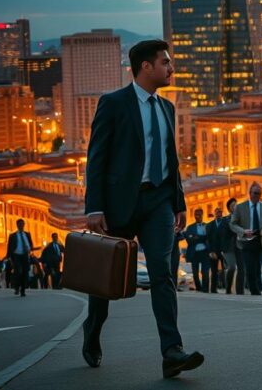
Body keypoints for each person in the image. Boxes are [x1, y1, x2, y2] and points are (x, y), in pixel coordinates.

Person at [82, 39, 202, 378]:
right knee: (107, 279)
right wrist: (95, 208)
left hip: (158, 202)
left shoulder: (167, 108)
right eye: (165, 62)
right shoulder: (114, 104)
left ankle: (171, 352)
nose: (171, 68)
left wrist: (177, 202)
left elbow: (171, 160)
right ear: (146, 67)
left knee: (163, 272)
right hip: (120, 204)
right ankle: (92, 330)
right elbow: (97, 159)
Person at [230, 183, 262, 295]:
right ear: (250, 193)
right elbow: (232, 224)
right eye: (255, 193)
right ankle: (255, 292)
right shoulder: (240, 207)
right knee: (250, 269)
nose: (257, 196)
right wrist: (243, 231)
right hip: (247, 242)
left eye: (259, 193)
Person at [183, 209, 211, 292]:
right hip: (194, 253)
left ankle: (205, 289)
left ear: (202, 215)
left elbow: (208, 238)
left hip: (205, 252)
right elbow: (189, 239)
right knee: (195, 273)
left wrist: (196, 237)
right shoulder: (190, 227)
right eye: (196, 215)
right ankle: (199, 288)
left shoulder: (207, 226)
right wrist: (202, 237)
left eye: (199, 214)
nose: (197, 216)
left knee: (205, 272)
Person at [6, 219, 34, 297]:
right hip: (16, 255)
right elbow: (9, 247)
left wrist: (30, 249)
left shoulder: (27, 234)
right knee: (18, 271)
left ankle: (23, 290)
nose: (21, 225)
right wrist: (8, 256)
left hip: (25, 255)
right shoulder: (13, 236)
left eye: (23, 224)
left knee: (25, 272)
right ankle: (16, 287)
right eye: (20, 224)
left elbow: (31, 244)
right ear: (17, 225)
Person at [206, 208, 223, 293]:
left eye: (220, 212)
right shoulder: (209, 225)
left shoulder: (225, 223)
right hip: (213, 251)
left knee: (225, 269)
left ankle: (226, 287)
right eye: (217, 212)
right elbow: (208, 239)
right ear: (214, 214)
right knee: (214, 271)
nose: (218, 214)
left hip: (224, 250)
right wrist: (210, 251)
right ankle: (213, 289)